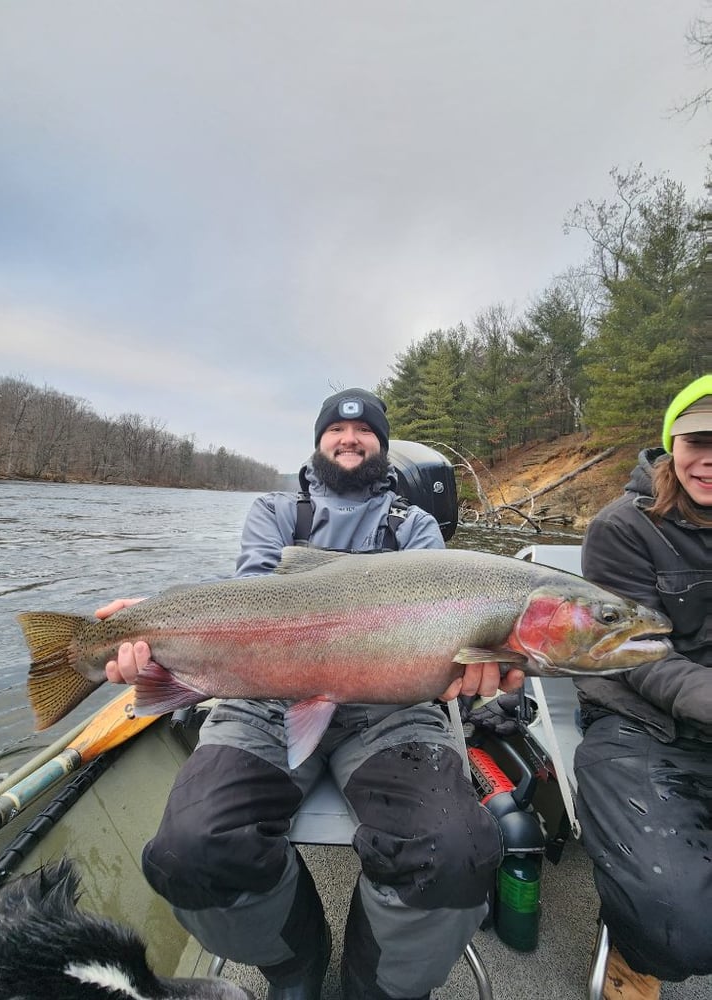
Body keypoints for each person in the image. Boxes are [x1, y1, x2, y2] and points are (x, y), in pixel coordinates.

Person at [97, 387, 525, 1000]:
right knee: (188, 851)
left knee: (456, 853)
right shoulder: (273, 512)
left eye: (365, 432)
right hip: (265, 699)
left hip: (393, 712)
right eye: (336, 430)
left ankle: (373, 984)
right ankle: (293, 961)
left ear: (383, 446)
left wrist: (481, 664)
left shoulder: (417, 526)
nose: (349, 439)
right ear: (319, 440)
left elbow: (455, 632)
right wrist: (151, 632)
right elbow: (245, 607)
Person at [572, 375, 712, 1000]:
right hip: (640, 724)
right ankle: (635, 946)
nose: (710, 459)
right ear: (671, 443)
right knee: (678, 924)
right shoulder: (622, 529)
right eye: (699, 440)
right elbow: (633, 656)